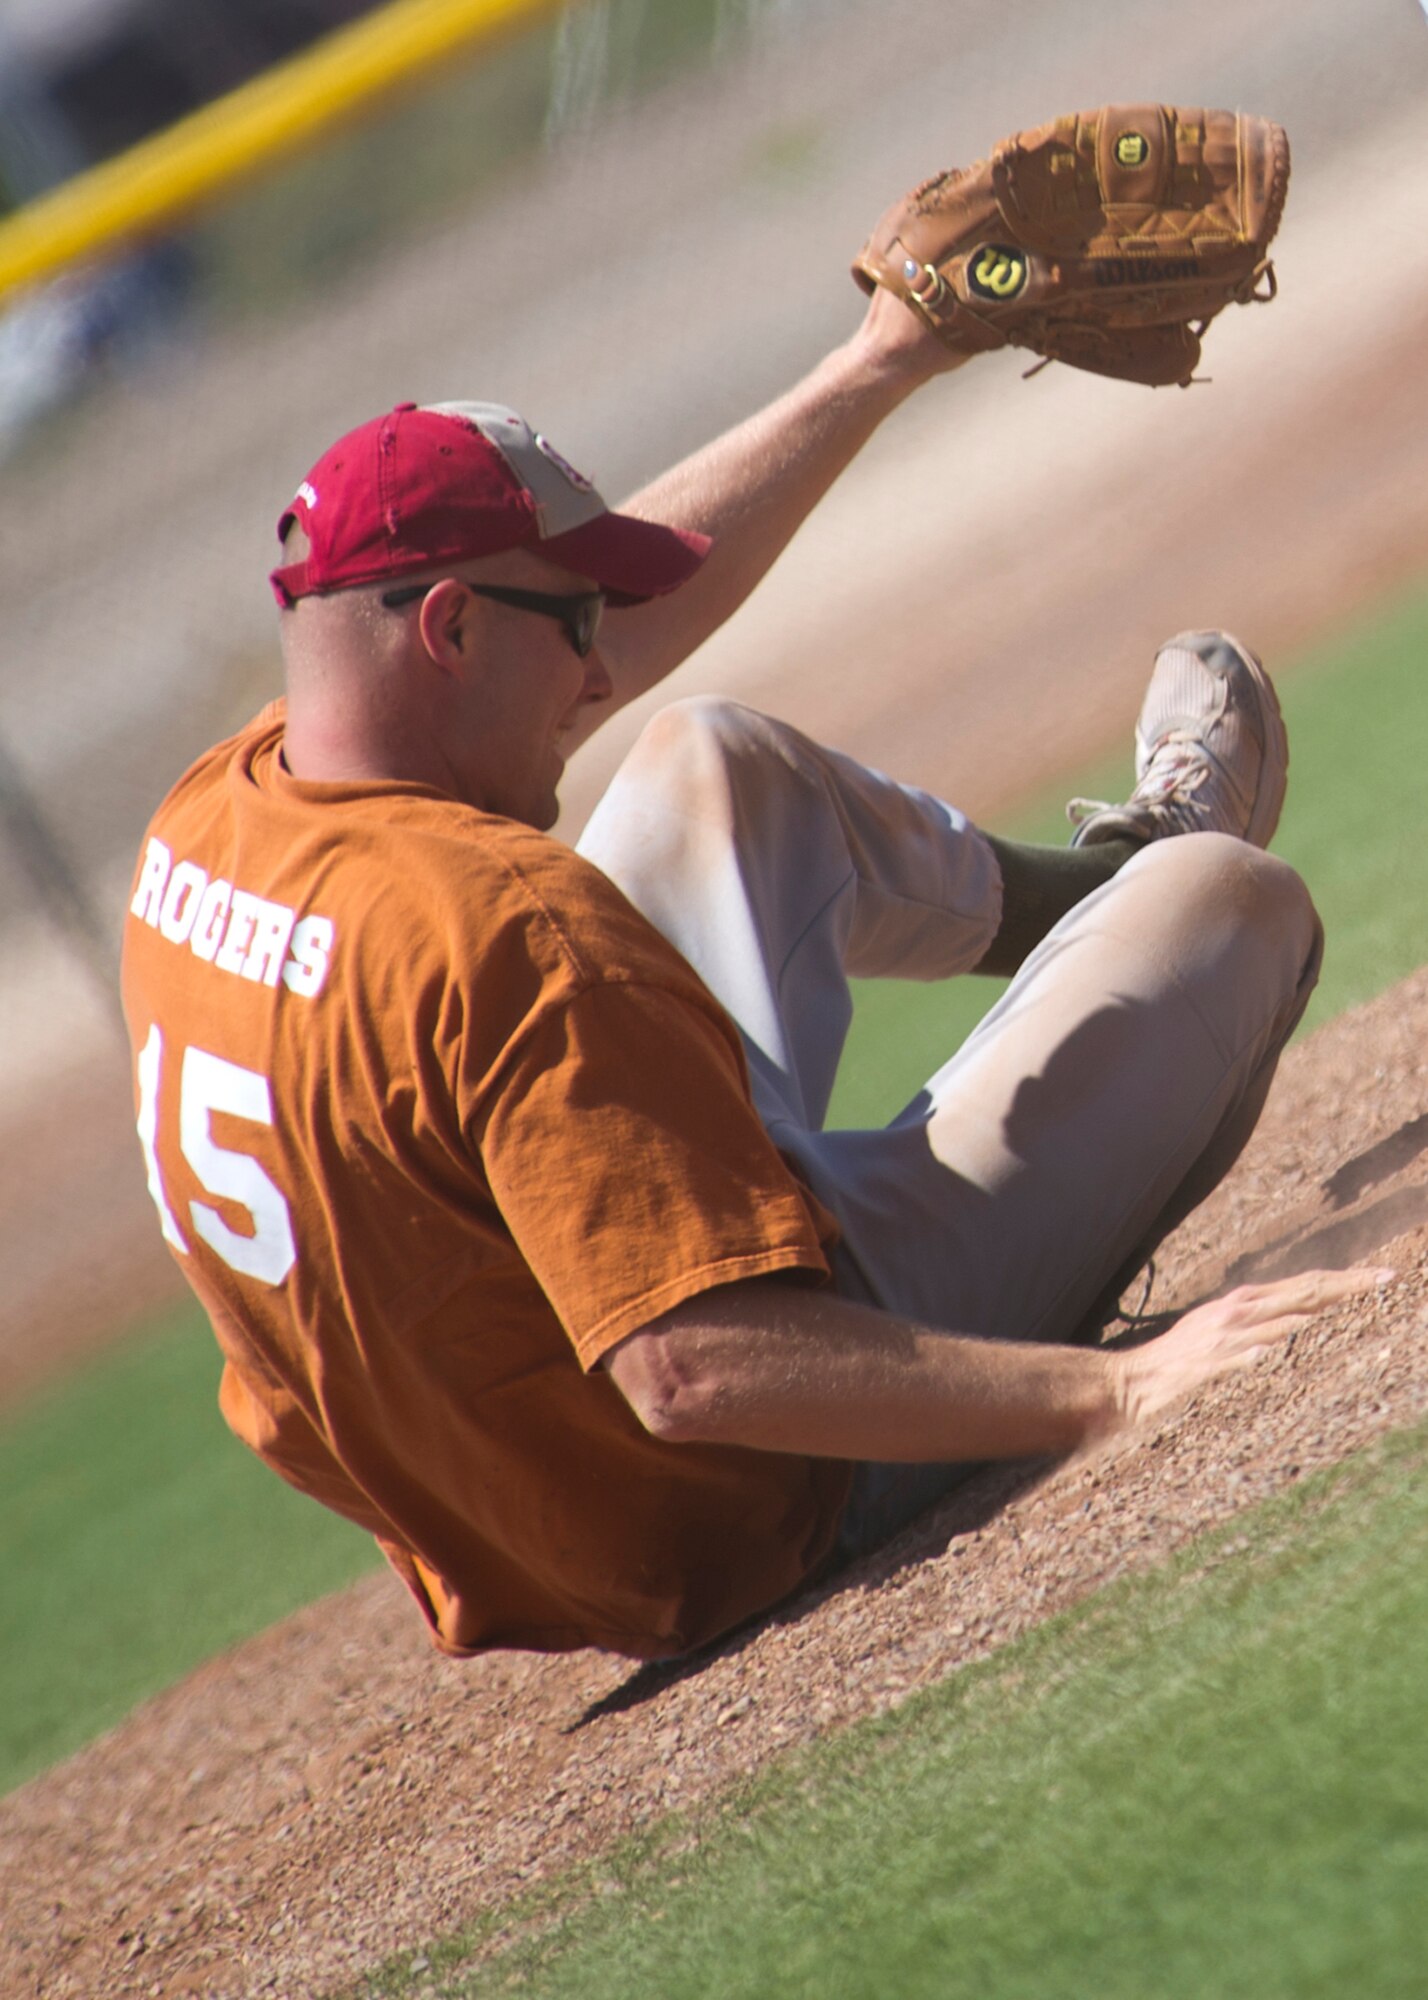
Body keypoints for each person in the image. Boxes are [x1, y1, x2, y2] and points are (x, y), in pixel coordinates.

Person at [121, 284, 1384, 1663]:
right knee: (1234, 904)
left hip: (513, 1462)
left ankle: (1101, 896)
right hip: (762, 1469)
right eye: (577, 628)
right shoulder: (508, 934)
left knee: (710, 759)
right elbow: (691, 1369)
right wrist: (1114, 1393)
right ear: (447, 629)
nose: (603, 676)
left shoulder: (218, 818)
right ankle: (1161, 883)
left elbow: (585, 617)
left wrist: (880, 361)